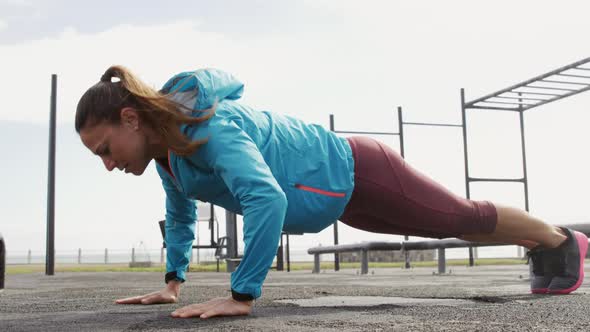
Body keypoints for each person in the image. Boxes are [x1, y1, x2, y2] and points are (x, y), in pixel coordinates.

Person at [75, 65, 588, 319]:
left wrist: (240, 295)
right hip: (339, 196)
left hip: (358, 169)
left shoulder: (209, 128)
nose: (107, 164)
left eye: (104, 149)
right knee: (447, 226)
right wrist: (172, 281)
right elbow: (180, 212)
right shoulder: (169, 157)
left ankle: (563, 239)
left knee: (460, 217)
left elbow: (266, 198)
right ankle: (542, 242)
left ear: (130, 119)